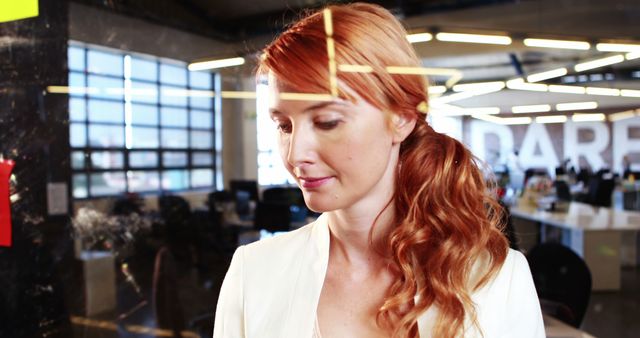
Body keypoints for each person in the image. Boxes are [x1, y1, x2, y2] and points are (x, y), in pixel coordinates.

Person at [213, 3, 544, 337]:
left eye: (327, 122)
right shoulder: (253, 273)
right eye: (284, 125)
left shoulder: (498, 280)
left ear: (401, 118)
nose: (296, 153)